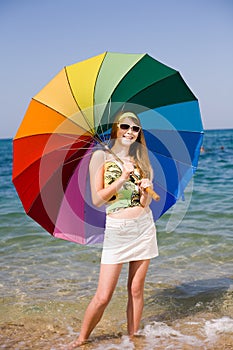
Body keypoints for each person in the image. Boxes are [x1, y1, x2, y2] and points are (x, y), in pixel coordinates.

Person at [67, 111, 158, 348]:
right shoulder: (100, 157)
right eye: (125, 126)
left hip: (144, 227)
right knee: (103, 295)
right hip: (117, 229)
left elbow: (144, 203)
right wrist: (121, 178)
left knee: (136, 289)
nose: (130, 131)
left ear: (139, 134)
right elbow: (97, 200)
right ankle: (82, 338)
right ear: (116, 128)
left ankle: (134, 338)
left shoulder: (144, 162)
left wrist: (148, 186)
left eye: (135, 128)